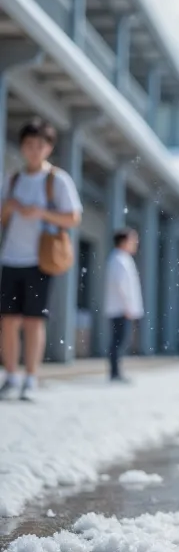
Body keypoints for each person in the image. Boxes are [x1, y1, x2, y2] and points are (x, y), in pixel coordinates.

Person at [0, 118, 82, 401]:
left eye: (40, 145)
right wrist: (9, 209)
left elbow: (73, 217)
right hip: (11, 257)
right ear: (22, 147)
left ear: (49, 148)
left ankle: (31, 378)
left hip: (40, 260)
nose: (34, 150)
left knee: (34, 321)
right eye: (28, 145)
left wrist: (41, 213)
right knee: (8, 321)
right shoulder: (12, 179)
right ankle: (10, 375)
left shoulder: (57, 180)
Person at [104, 228, 144, 383]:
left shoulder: (122, 258)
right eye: (133, 240)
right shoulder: (118, 259)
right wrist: (128, 306)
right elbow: (121, 285)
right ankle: (115, 372)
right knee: (118, 341)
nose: (135, 244)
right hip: (121, 308)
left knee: (119, 340)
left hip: (122, 308)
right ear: (124, 241)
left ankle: (116, 371)